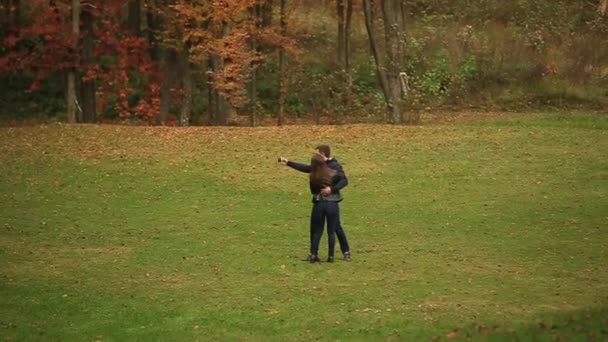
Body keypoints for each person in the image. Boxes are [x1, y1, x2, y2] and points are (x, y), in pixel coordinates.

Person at [279, 144, 352, 262]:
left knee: (336, 228)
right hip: (320, 201)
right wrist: (289, 163)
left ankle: (346, 251)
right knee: (316, 228)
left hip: (331, 201)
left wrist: (332, 189)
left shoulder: (335, 166)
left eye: (317, 153)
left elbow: (344, 180)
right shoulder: (318, 165)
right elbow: (306, 168)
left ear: (323, 154)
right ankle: (314, 253)